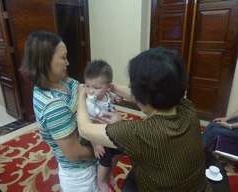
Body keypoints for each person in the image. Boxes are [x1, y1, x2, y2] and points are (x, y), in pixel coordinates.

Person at [77, 47, 212, 191]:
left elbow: (84, 129)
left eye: (132, 86)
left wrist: (81, 95)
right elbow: (142, 96)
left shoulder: (137, 132)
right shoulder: (187, 106)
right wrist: (105, 86)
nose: (130, 88)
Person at [20, 31, 99, 192]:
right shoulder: (53, 105)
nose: (68, 63)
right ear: (45, 61)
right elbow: (74, 154)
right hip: (81, 174)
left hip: (90, 161)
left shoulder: (63, 81)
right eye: (63, 58)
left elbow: (83, 91)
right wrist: (104, 150)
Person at [83, 60, 122, 192]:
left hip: (109, 130)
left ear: (108, 87)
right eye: (87, 86)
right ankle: (100, 182)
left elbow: (112, 97)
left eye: (96, 87)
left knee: (120, 151)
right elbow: (87, 126)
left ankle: (108, 173)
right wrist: (95, 144)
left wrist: (117, 98)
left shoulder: (107, 95)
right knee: (106, 157)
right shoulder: (89, 105)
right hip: (95, 135)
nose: (90, 91)